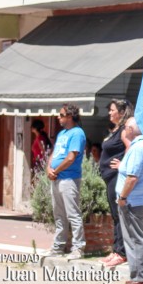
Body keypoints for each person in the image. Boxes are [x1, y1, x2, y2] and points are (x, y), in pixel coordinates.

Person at [115, 117, 143, 284]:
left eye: (125, 128)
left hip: (134, 202)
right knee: (141, 239)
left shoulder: (137, 148)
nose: (124, 131)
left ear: (131, 130)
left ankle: (139, 276)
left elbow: (132, 177)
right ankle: (141, 273)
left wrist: (123, 198)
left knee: (135, 240)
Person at [47, 104, 87, 260]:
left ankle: (78, 248)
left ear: (70, 116)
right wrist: (49, 168)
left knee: (73, 214)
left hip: (69, 179)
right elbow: (55, 153)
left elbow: (71, 157)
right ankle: (58, 246)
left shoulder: (77, 133)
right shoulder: (62, 133)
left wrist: (55, 171)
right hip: (57, 178)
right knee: (59, 215)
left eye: (61, 114)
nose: (59, 117)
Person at [98, 99, 132, 270]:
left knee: (119, 216)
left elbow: (131, 147)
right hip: (109, 178)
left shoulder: (125, 129)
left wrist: (123, 165)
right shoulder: (116, 130)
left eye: (112, 110)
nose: (110, 113)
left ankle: (122, 253)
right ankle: (116, 249)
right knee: (115, 215)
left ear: (121, 112)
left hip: (116, 177)